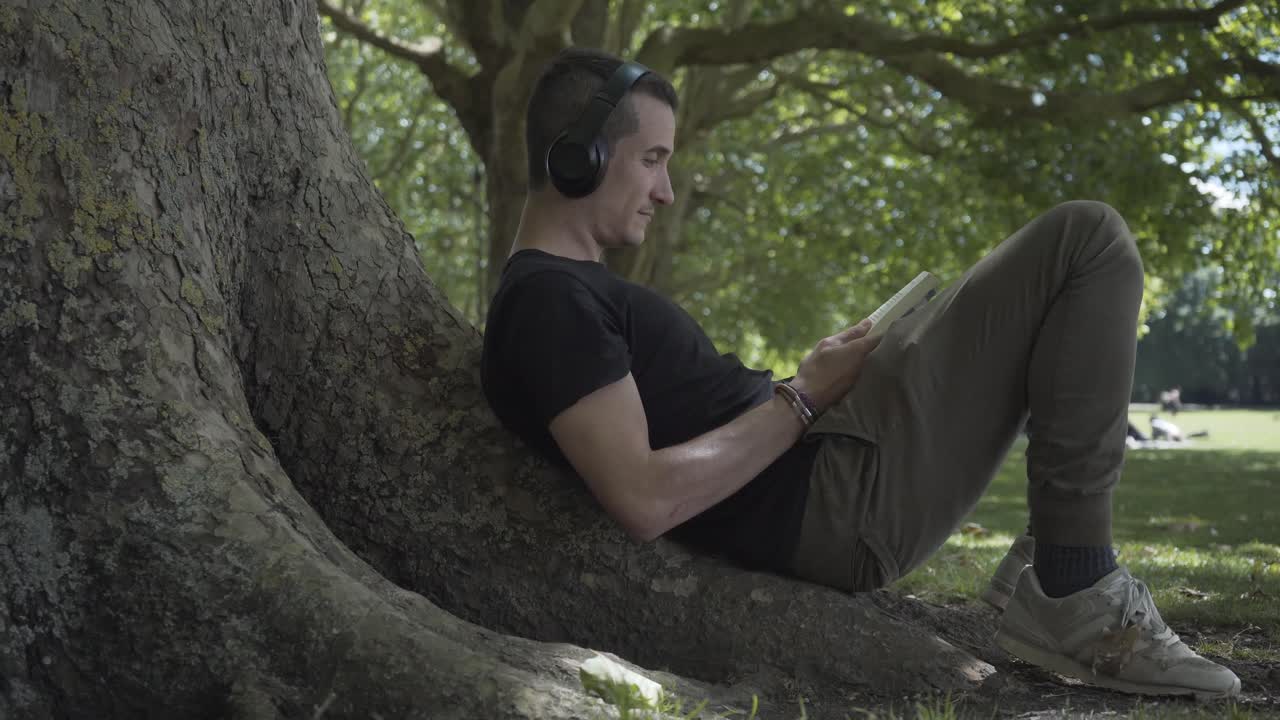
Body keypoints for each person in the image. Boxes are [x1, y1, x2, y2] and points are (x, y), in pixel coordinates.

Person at [479, 47, 1241, 700]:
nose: (666, 190)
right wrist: (804, 397)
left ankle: (1053, 561)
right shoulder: (549, 301)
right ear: (576, 158)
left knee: (1071, 252)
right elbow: (642, 498)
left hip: (834, 455)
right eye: (652, 160)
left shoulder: (564, 292)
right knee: (1089, 241)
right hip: (840, 499)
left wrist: (815, 383)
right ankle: (1074, 585)